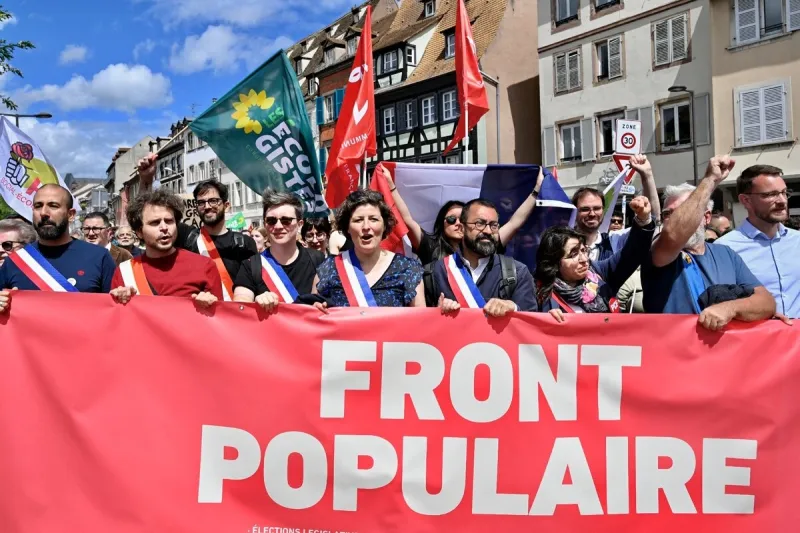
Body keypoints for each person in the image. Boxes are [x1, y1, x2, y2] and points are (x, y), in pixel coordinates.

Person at [642, 156, 776, 331]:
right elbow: (674, 234)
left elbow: (766, 302)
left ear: (706, 217)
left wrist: (731, 308)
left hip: (720, 354)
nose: (675, 218)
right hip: (673, 352)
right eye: (669, 214)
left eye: (684, 210)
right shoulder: (657, 250)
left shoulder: (726, 254)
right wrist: (710, 179)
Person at [136, 155, 258, 300]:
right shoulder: (186, 236)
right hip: (199, 314)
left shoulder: (244, 243)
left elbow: (255, 283)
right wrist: (146, 180)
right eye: (201, 202)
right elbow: (144, 212)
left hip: (234, 315)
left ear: (226, 205)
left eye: (213, 201)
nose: (207, 207)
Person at [382, 165, 546, 265]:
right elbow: (407, 219)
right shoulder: (431, 246)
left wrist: (537, 189)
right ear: (442, 223)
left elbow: (514, 223)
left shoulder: (486, 241)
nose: (458, 223)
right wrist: (390, 186)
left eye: (462, 219)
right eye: (451, 219)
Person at [536, 196, 655, 322]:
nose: (583, 259)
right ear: (554, 262)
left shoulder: (599, 273)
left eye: (583, 250)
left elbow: (632, 254)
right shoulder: (539, 293)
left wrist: (643, 219)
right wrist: (543, 320)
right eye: (573, 254)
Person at [0, 185, 116, 305]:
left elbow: (116, 312)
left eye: (53, 206)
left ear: (71, 214)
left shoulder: (99, 257)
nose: (44, 213)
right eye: (38, 206)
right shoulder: (14, 262)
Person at [313, 190, 424, 308]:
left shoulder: (408, 269)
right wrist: (315, 311)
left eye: (373, 219)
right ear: (348, 227)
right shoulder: (328, 268)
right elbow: (311, 316)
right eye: (358, 220)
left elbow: (421, 322)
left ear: (384, 225)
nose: (366, 226)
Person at [109, 190, 222, 307]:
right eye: (155, 223)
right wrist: (119, 301)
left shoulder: (204, 266)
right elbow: (117, 321)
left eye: (169, 221)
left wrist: (210, 305)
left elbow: (221, 318)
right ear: (139, 232)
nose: (164, 227)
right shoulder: (125, 272)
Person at [717, 165, 799, 320]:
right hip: (758, 340)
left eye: (783, 193)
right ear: (745, 200)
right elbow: (721, 301)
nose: (782, 201)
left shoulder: (797, 241)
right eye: (770, 195)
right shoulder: (725, 248)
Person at [434, 199, 537, 316]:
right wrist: (437, 313)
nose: (488, 231)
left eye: (494, 225)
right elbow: (422, 326)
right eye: (480, 224)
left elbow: (531, 324)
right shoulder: (437, 271)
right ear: (462, 229)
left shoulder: (518, 272)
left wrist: (513, 307)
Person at [234, 190, 326, 312]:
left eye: (286, 220)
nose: (278, 226)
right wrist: (254, 303)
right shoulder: (251, 265)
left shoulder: (318, 259)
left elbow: (328, 300)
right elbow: (239, 304)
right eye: (271, 221)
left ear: (300, 224)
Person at [574, 154, 661, 261]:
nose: (592, 214)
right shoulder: (563, 244)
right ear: (575, 211)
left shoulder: (614, 240)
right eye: (585, 209)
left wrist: (647, 175)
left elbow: (651, 221)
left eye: (597, 208)